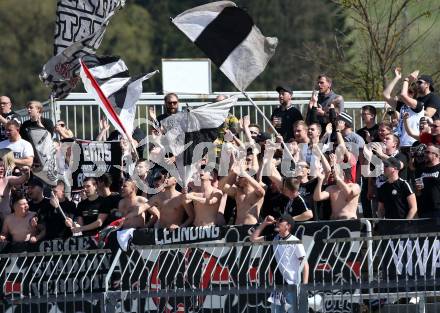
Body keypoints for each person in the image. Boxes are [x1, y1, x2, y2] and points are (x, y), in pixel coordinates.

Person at [250, 214, 309, 313]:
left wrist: (304, 286)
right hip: (277, 286)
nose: (277, 222)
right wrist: (264, 223)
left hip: (293, 284)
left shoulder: (295, 241)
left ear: (288, 226)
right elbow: (253, 239)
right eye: (277, 220)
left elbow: (305, 264)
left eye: (281, 221)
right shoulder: (274, 238)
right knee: (276, 311)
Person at [129, 171, 194, 229]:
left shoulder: (181, 197)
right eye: (165, 177)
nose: (165, 179)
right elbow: (142, 207)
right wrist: (125, 218)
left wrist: (179, 228)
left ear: (175, 181)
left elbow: (191, 217)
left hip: (175, 235)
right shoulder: (157, 197)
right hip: (160, 233)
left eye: (168, 177)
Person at [414, 144, 440, 218]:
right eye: (425, 152)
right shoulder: (420, 170)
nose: (425, 154)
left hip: (438, 210)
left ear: (437, 155)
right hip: (424, 210)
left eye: (428, 152)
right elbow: (418, 193)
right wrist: (417, 189)